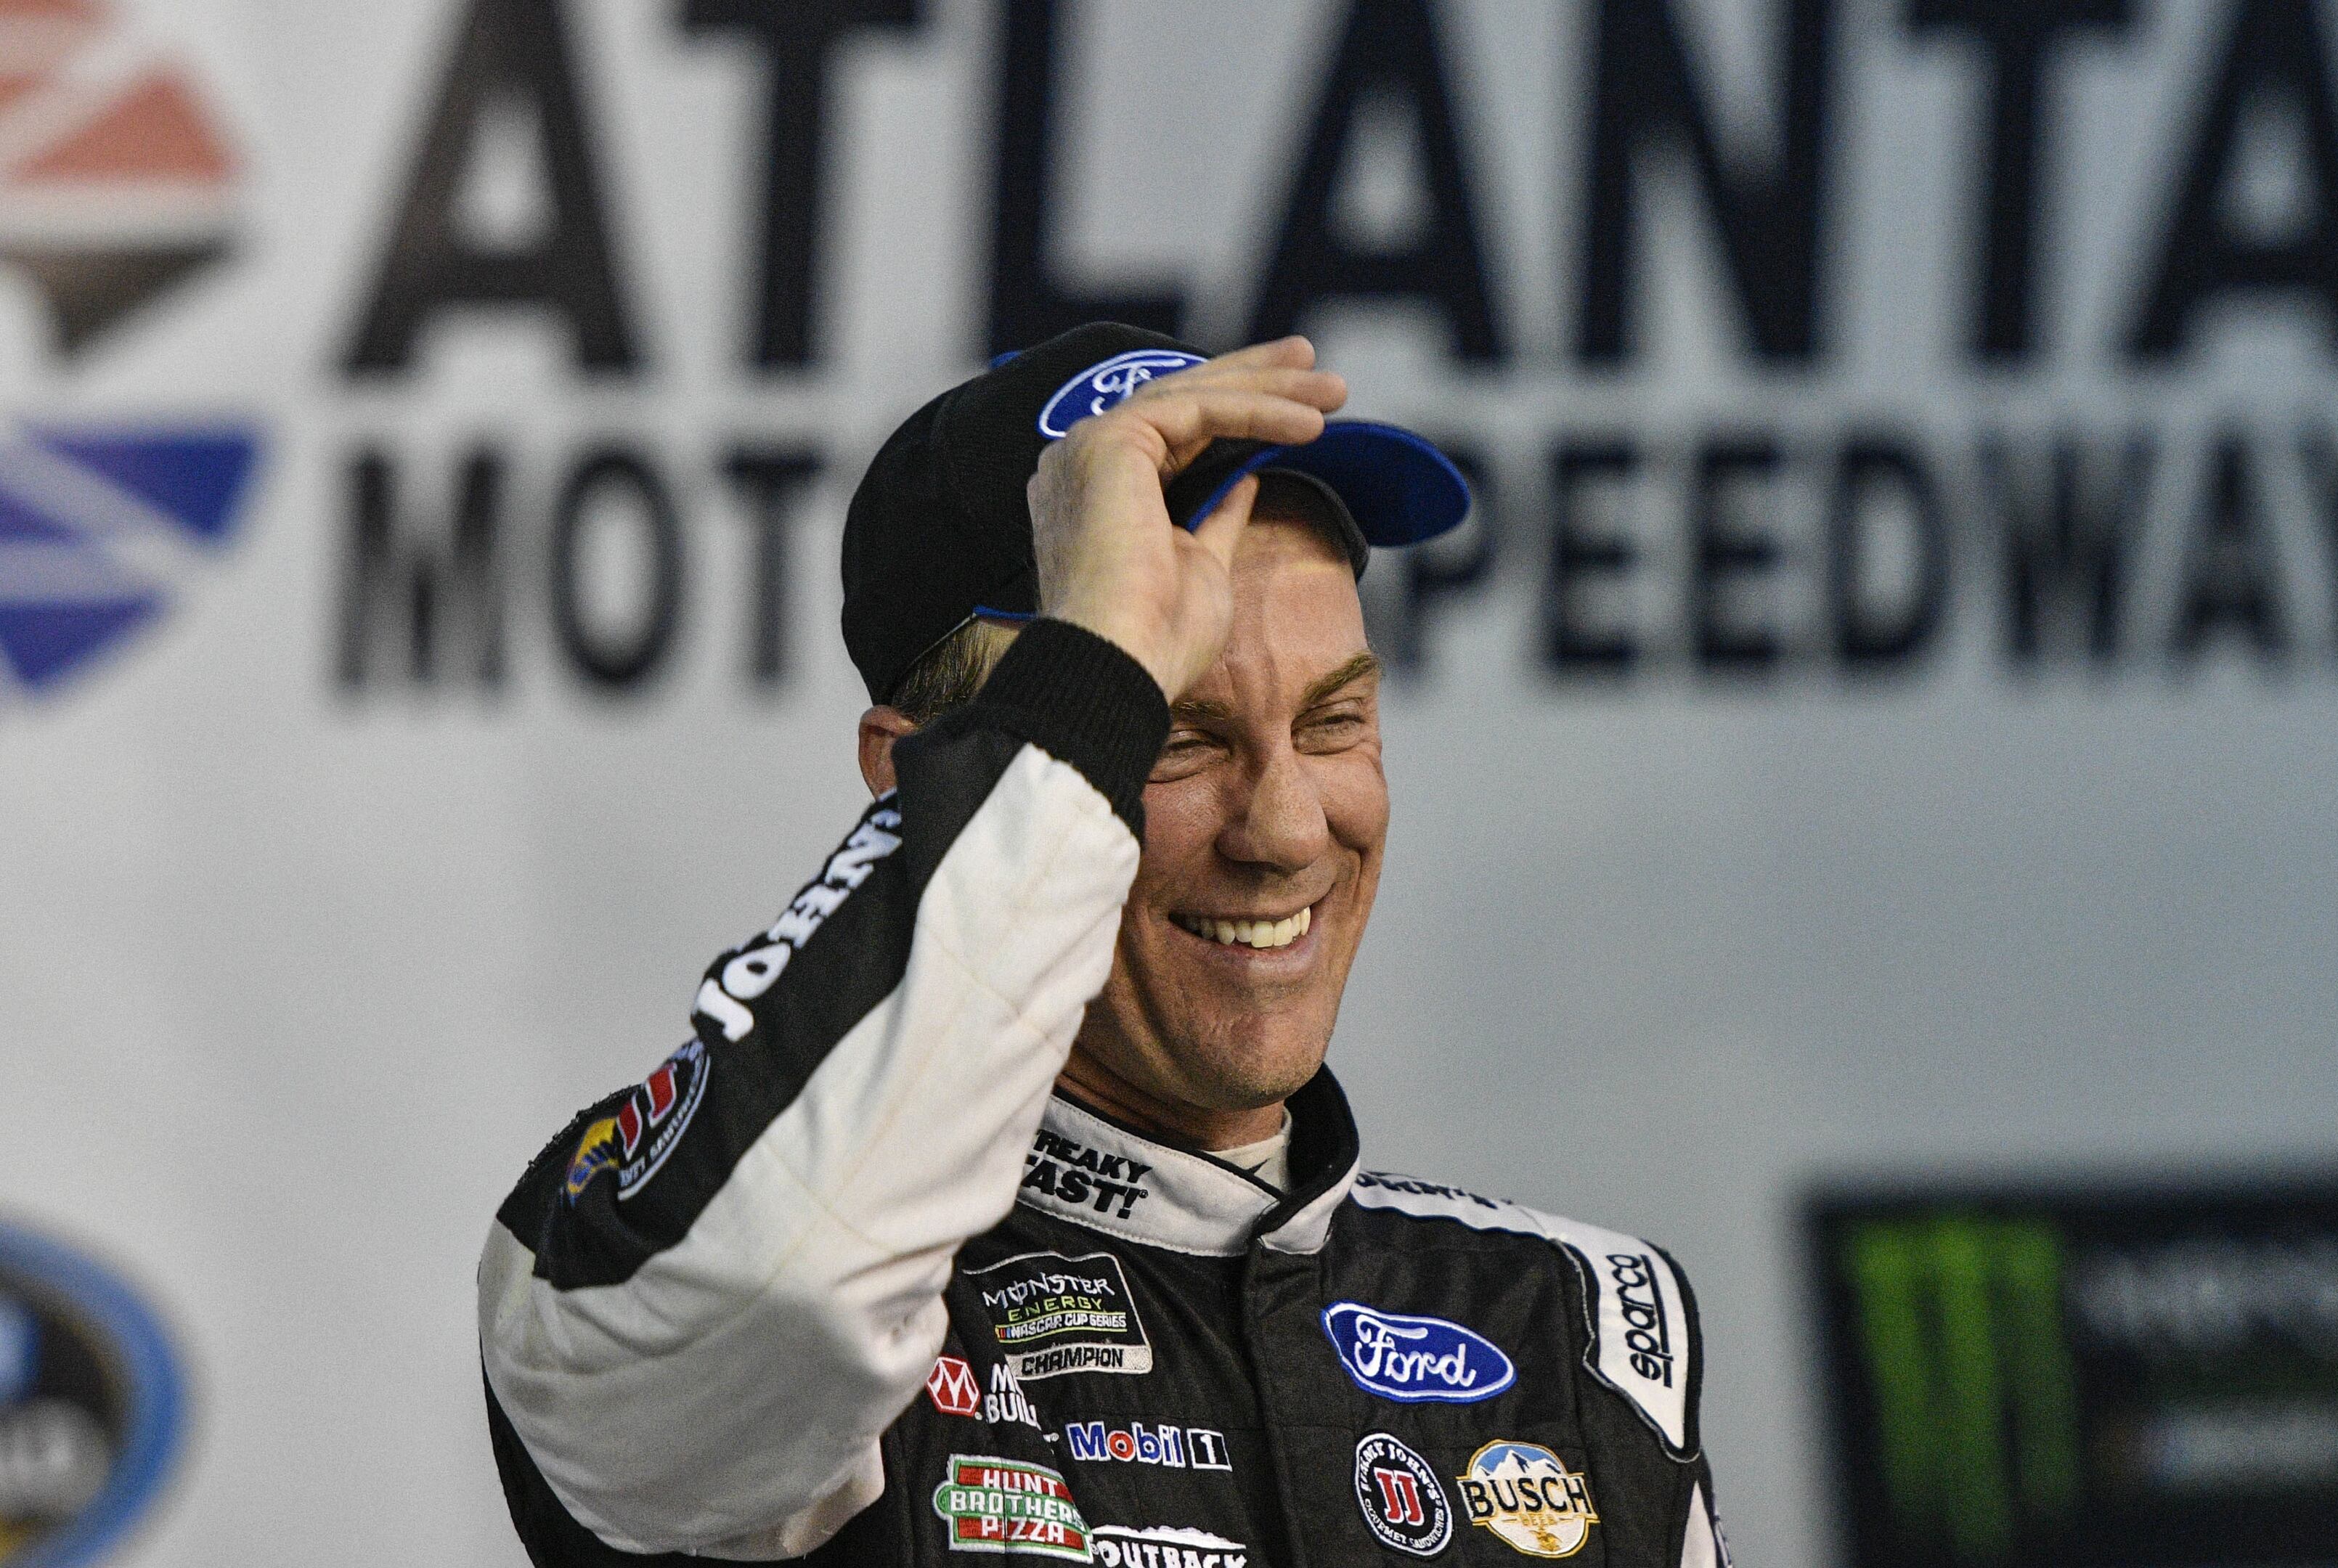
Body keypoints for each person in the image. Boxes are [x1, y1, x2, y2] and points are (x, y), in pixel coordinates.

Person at [477, 324, 1724, 1567]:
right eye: (1173, 732)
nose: (1287, 829)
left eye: (1335, 719)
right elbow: (766, 1290)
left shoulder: (1576, 1323)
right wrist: (1087, 677)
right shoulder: (668, 1267)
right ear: (908, 782)